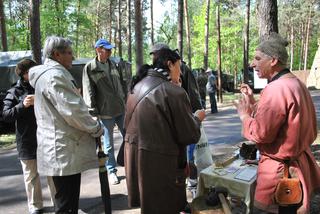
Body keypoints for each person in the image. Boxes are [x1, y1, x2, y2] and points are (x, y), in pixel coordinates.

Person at [235, 32, 320, 213]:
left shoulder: (276, 89)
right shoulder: (296, 83)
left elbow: (262, 133)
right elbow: (280, 119)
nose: (252, 64)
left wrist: (244, 116)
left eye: (257, 58)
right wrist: (251, 101)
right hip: (295, 168)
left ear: (273, 60)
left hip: (281, 175)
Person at [124, 48, 205, 214]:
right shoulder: (173, 92)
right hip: (162, 165)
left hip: (137, 160)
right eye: (179, 66)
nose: (181, 72)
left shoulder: (137, 85)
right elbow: (190, 134)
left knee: (150, 206)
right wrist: (197, 118)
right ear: (170, 64)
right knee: (167, 206)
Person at [28, 36, 104, 213]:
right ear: (56, 54)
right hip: (63, 150)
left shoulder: (50, 75)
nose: (73, 57)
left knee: (65, 203)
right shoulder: (55, 76)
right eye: (69, 53)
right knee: (66, 206)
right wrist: (96, 128)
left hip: (61, 149)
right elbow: (73, 112)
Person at [2, 59, 54, 214]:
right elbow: (6, 115)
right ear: (23, 74)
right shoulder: (14, 92)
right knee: (31, 175)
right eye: (30, 71)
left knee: (52, 172)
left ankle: (58, 201)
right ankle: (35, 206)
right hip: (26, 140)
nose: (34, 73)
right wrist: (22, 105)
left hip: (47, 136)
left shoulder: (43, 85)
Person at [82, 38, 125, 185]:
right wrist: (93, 114)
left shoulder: (114, 64)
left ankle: (132, 165)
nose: (110, 52)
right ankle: (112, 171)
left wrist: (126, 100)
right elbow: (88, 92)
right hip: (105, 112)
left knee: (129, 138)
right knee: (108, 145)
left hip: (121, 109)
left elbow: (122, 84)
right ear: (98, 49)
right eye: (107, 49)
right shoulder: (90, 68)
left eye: (110, 49)